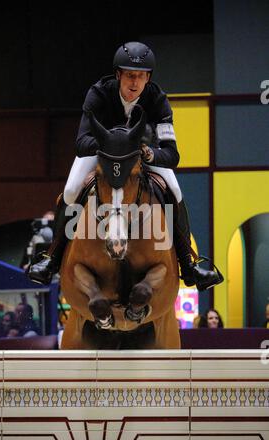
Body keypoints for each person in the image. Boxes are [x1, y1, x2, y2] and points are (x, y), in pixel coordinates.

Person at [27, 41, 223, 291]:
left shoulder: (158, 99)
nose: (135, 83)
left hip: (142, 157)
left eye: (141, 77)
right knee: (71, 190)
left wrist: (150, 154)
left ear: (148, 78)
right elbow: (81, 143)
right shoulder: (98, 94)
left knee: (174, 191)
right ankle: (51, 260)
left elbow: (172, 155)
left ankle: (189, 264)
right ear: (118, 74)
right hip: (102, 154)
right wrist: (111, 148)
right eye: (130, 75)